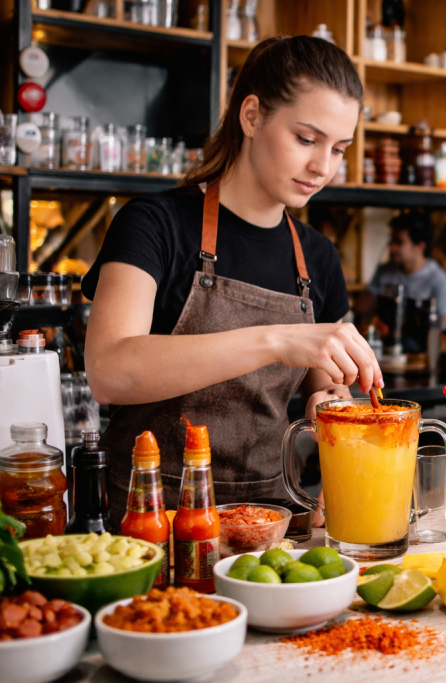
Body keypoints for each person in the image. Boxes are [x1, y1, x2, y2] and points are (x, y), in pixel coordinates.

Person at [82, 36, 381, 519]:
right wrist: (276, 340)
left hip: (271, 523)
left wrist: (340, 444)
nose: (323, 167)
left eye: (339, 148)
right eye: (306, 139)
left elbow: (325, 393)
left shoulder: (318, 257)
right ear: (252, 116)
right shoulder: (154, 225)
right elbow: (110, 371)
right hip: (154, 523)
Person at [366, 211, 446, 331]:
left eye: (399, 242)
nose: (391, 247)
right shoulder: (385, 270)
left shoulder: (441, 282)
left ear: (420, 246)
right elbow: (362, 310)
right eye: (391, 240)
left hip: (419, 348)